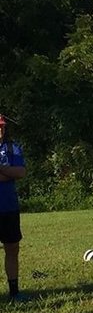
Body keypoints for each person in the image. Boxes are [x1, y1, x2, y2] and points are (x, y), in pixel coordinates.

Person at [0, 115, 26, 303]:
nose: (0, 130)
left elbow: (21, 172)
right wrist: (8, 173)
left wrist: (3, 171)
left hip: (9, 207)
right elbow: (13, 173)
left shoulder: (12, 148)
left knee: (12, 248)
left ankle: (14, 291)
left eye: (2, 127)